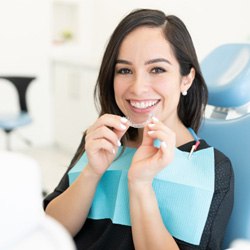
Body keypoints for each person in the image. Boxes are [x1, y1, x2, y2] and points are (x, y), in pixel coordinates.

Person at [44, 9, 234, 250]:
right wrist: (92, 172)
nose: (138, 87)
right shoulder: (100, 139)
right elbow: (48, 232)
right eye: (124, 70)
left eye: (157, 69)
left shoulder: (213, 168)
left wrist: (140, 184)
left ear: (186, 78)